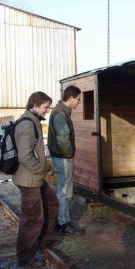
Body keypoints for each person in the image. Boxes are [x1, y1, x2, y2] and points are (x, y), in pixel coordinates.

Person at [13, 91, 59, 267]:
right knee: (32, 218)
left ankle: (41, 241)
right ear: (35, 104)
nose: (47, 110)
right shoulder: (27, 124)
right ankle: (25, 257)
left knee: (52, 204)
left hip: (33, 178)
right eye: (46, 107)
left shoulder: (32, 121)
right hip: (30, 179)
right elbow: (25, 156)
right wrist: (41, 169)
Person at [48, 85, 84, 234]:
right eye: (78, 99)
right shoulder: (60, 114)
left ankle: (62, 220)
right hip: (62, 157)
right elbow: (63, 139)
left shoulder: (61, 111)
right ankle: (62, 223)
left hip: (60, 157)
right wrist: (69, 155)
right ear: (70, 98)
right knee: (63, 191)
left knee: (64, 190)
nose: (79, 102)